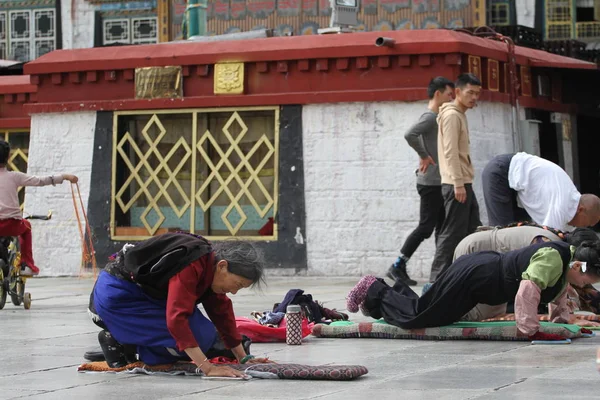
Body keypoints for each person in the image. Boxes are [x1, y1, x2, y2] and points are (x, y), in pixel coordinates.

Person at [88, 232, 270, 377]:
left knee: (202, 334)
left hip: (143, 295)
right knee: (197, 336)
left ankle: (129, 343)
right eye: (237, 284)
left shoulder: (210, 265)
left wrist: (243, 358)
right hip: (118, 295)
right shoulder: (193, 263)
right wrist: (207, 368)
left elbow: (221, 311)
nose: (234, 292)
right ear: (222, 266)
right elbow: (177, 318)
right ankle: (120, 340)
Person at [346, 240, 600, 340]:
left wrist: (564, 327)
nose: (586, 284)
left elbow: (558, 299)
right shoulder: (555, 259)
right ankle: (373, 287)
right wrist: (531, 331)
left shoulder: (564, 266)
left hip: (481, 277)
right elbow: (527, 292)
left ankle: (377, 299)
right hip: (476, 277)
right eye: (587, 278)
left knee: (432, 310)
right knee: (420, 317)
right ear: (578, 265)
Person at [451, 225, 600, 326]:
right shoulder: (551, 247)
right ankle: (441, 293)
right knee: (482, 313)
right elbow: (535, 284)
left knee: (494, 307)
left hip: (494, 263)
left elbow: (582, 287)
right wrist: (530, 327)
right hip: (476, 251)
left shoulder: (565, 252)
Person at [387, 77, 454, 286]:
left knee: (442, 228)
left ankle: (441, 270)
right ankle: (398, 265)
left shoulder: (438, 117)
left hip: (437, 181)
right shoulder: (430, 117)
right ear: (437, 94)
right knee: (426, 227)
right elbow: (410, 134)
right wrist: (424, 155)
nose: (451, 98)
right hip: (430, 183)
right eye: (448, 94)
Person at [428, 73, 482, 282]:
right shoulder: (452, 115)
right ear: (457, 92)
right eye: (470, 93)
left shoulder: (459, 113)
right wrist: (458, 184)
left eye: (477, 93)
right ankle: (435, 283)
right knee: (451, 234)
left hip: (463, 182)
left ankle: (466, 275)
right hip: (456, 184)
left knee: (473, 230)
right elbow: (450, 152)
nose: (474, 97)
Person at [0, 139, 78, 276]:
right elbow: (40, 180)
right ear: (8, 157)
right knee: (27, 226)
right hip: (11, 224)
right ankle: (26, 264)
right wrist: (64, 176)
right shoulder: (14, 176)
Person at [482, 152, 600, 231]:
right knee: (503, 233)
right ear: (581, 210)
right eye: (587, 224)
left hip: (514, 182)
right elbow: (547, 239)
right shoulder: (561, 205)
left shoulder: (570, 198)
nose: (582, 227)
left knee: (521, 230)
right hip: (501, 173)